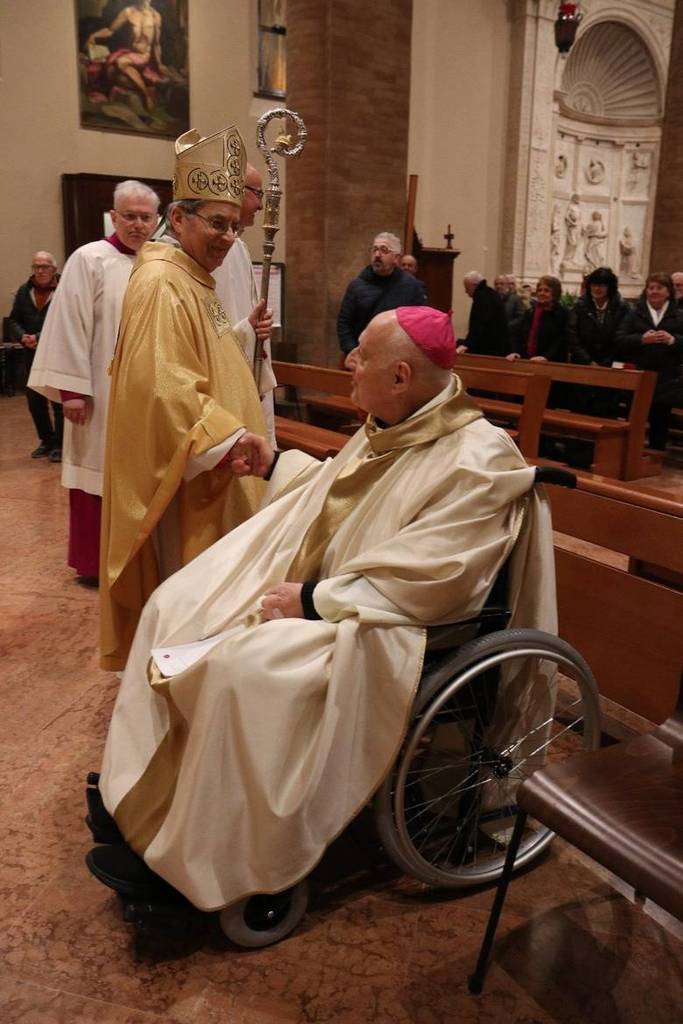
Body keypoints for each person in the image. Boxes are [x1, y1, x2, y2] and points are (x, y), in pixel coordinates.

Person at [85, 304, 556, 911]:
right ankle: (147, 798)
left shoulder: (478, 458)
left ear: (401, 378)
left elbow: (441, 574)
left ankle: (218, 861)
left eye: (363, 354)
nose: (349, 363)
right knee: (174, 605)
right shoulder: (394, 420)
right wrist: (276, 463)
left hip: (387, 623)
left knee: (247, 668)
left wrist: (313, 601)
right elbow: (341, 492)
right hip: (328, 594)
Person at [99, 123, 270, 672]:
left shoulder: (195, 277)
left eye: (236, 227)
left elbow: (210, 356)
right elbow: (160, 388)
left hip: (220, 472)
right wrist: (227, 435)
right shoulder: (162, 283)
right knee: (188, 602)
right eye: (218, 223)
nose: (227, 238)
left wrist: (246, 336)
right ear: (177, 218)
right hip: (194, 480)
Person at [28, 180, 160, 585]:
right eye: (130, 216)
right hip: (99, 396)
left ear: (156, 221)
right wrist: (72, 391)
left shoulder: (163, 262)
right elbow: (69, 326)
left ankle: (139, 560)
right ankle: (94, 563)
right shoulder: (89, 259)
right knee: (96, 472)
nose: (137, 224)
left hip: (148, 394)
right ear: (114, 216)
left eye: (145, 217)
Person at [213, 164, 276, 445]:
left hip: (247, 366)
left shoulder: (238, 248)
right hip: (221, 380)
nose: (262, 205)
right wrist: (246, 331)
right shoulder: (203, 251)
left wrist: (258, 327)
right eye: (257, 194)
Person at [616, 272, 683, 450]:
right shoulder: (634, 313)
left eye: (659, 288)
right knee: (636, 421)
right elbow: (620, 339)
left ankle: (655, 461)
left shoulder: (678, 315)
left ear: (668, 292)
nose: (654, 292)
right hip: (639, 375)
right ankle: (631, 458)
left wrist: (672, 340)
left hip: (666, 378)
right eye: (651, 288)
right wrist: (641, 339)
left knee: (660, 425)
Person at [7, 252, 63, 460]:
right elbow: (13, 320)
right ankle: (46, 441)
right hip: (31, 354)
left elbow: (65, 320)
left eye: (45, 267)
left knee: (57, 400)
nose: (40, 271)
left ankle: (60, 444)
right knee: (35, 401)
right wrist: (22, 336)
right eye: (36, 267)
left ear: (54, 269)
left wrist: (39, 337)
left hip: (56, 352)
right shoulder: (24, 291)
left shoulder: (64, 289)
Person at [337, 232, 426, 355]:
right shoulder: (357, 285)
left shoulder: (411, 286)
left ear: (396, 258)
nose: (377, 255)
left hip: (396, 356)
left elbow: (420, 323)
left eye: (384, 250)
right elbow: (344, 323)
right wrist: (353, 352)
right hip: (362, 355)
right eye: (375, 250)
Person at [569, 267, 630, 417]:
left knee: (606, 411)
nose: (597, 288)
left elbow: (621, 337)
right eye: (594, 284)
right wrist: (589, 361)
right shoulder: (580, 307)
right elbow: (572, 336)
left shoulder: (622, 308)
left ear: (610, 287)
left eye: (602, 285)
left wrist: (605, 364)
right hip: (583, 367)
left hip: (611, 368)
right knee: (581, 411)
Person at [86, 0, 166, 113]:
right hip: (129, 54)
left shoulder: (156, 16)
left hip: (144, 57)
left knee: (121, 62)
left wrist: (160, 64)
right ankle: (141, 88)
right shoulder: (128, 12)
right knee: (111, 73)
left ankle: (146, 95)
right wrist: (94, 35)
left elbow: (157, 44)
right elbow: (110, 31)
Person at [507, 275, 570, 363]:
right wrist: (515, 352)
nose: (541, 293)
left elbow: (561, 340)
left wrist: (546, 357)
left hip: (551, 362)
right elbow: (517, 333)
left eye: (546, 290)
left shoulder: (562, 313)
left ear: (555, 293)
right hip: (528, 360)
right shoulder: (531, 312)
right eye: (539, 290)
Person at [457, 272, 508, 356]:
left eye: (466, 287)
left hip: (488, 349)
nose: (466, 291)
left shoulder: (482, 297)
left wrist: (467, 344)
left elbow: (479, 324)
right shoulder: (490, 293)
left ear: (474, 285)